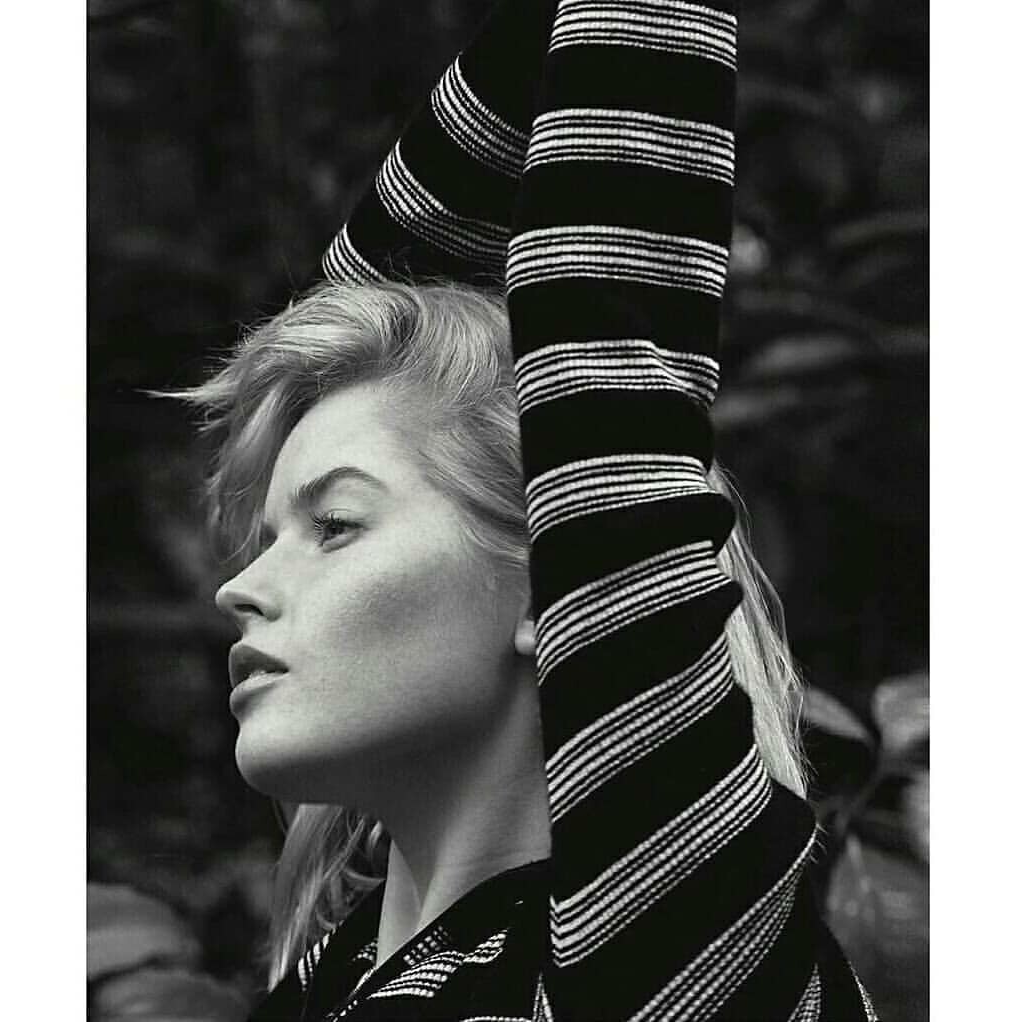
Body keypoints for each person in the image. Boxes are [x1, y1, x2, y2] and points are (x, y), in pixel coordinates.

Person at [179, 0, 878, 1018]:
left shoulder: (656, 944)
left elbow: (591, 319)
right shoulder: (330, 985)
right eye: (271, 534)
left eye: (334, 526)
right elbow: (392, 290)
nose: (240, 586)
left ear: (550, 580)